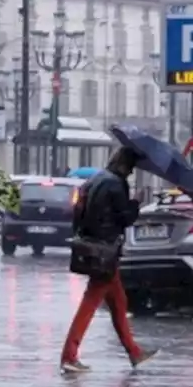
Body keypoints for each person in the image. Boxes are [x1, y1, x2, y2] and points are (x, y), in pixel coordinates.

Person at [61, 147, 159, 373]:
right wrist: (136, 202)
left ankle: (134, 352)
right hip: (104, 252)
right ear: (126, 165)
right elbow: (125, 218)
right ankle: (69, 356)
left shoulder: (95, 178)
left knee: (119, 303)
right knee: (90, 303)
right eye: (132, 167)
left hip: (94, 248)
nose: (132, 172)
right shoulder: (117, 184)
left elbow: (78, 210)